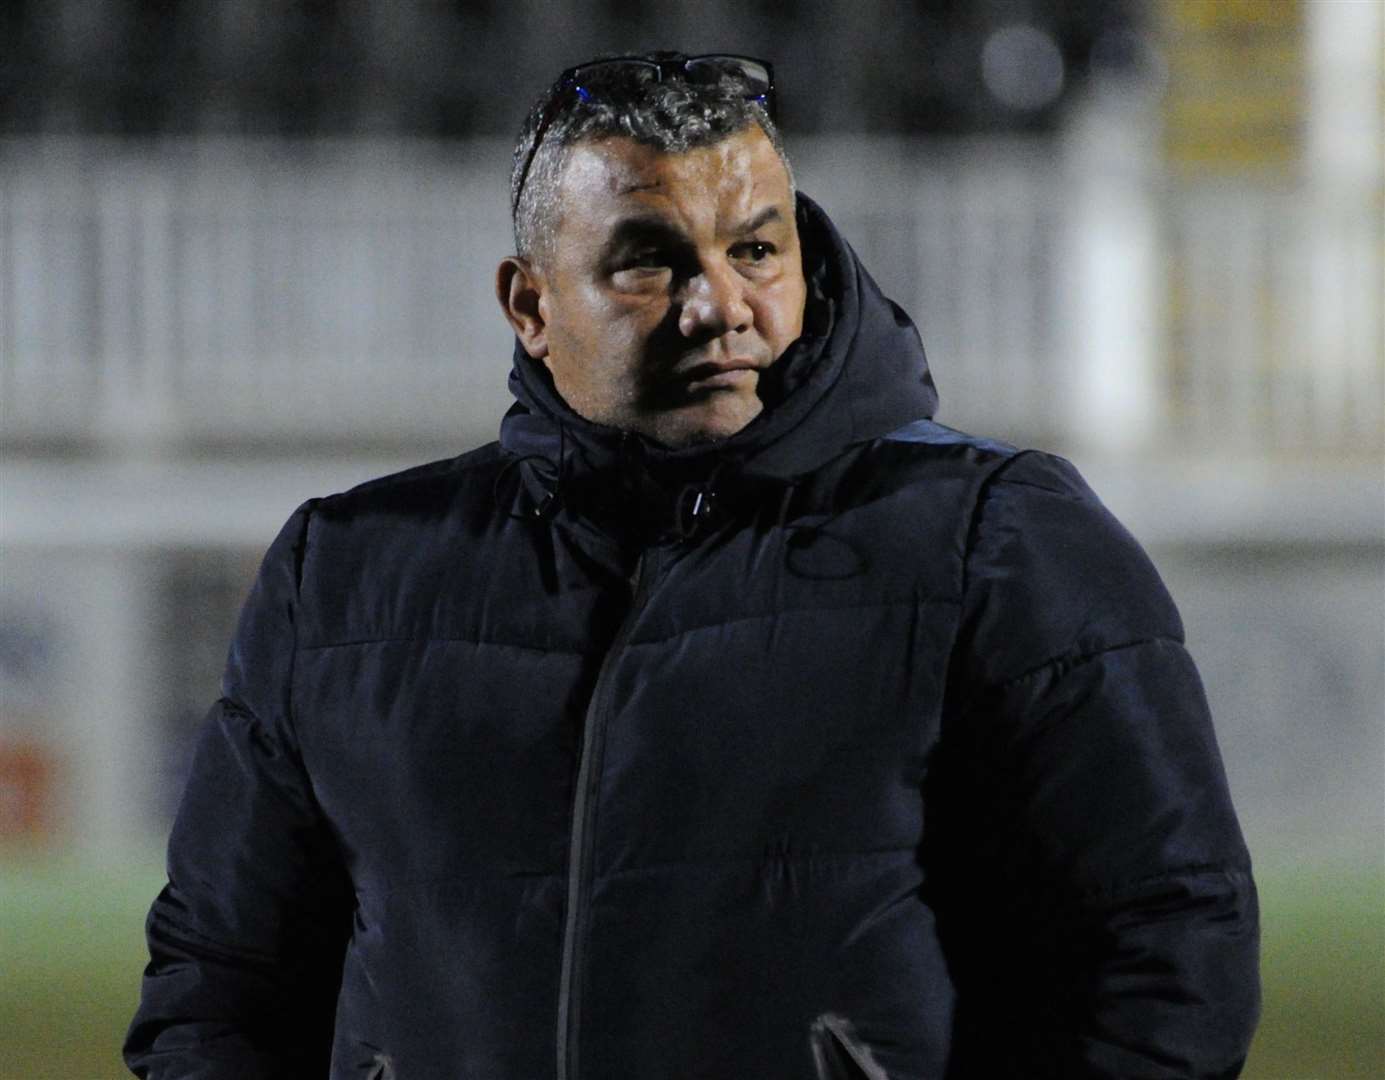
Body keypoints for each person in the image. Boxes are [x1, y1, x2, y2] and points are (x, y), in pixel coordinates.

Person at [125, 53, 1260, 1079]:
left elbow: (1162, 952)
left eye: (756, 248)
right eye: (647, 263)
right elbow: (218, 983)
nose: (719, 305)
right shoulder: (348, 573)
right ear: (529, 304)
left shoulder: (997, 541)